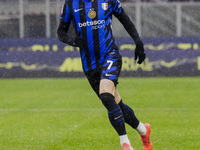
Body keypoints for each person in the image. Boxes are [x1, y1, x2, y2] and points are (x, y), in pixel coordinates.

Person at [57, 0, 153, 149]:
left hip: (110, 55)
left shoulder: (109, 1)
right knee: (115, 103)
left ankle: (125, 143)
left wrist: (138, 42)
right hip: (89, 64)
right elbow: (61, 33)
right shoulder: (70, 3)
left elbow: (125, 19)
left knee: (106, 95)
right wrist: (73, 41)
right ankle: (143, 129)